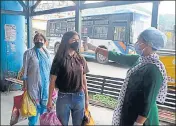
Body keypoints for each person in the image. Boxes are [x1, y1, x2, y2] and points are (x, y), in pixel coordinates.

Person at [96, 27, 168, 126]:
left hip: (142, 119)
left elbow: (148, 102)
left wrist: (138, 124)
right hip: (130, 112)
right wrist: (95, 48)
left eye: (139, 41)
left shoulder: (154, 69)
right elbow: (119, 57)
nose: (137, 43)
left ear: (149, 44)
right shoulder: (140, 60)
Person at [47, 31, 89, 126]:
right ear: (66, 41)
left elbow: (84, 79)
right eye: (73, 40)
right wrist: (49, 100)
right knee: (62, 124)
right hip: (63, 97)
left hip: (79, 96)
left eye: (78, 40)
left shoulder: (81, 59)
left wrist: (86, 98)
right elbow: (52, 81)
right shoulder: (59, 59)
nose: (76, 42)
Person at [23, 33, 51, 125]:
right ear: (34, 41)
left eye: (41, 40)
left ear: (44, 41)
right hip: (33, 85)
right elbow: (25, 71)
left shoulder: (47, 53)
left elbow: (50, 69)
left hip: (45, 84)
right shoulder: (28, 53)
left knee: (44, 107)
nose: (39, 41)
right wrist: (25, 85)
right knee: (33, 108)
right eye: (37, 39)